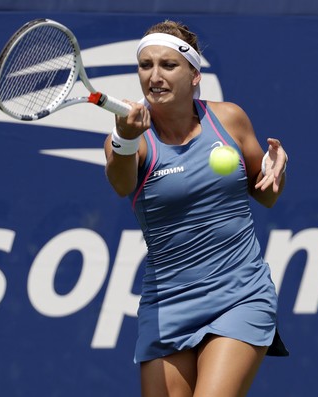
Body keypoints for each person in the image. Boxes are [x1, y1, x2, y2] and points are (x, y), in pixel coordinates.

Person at [103, 20, 289, 397]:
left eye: (168, 65)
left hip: (240, 294)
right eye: (146, 65)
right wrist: (124, 138)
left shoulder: (230, 120)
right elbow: (121, 183)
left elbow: (265, 195)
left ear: (194, 74)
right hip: (167, 304)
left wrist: (276, 172)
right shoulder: (129, 141)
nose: (154, 76)